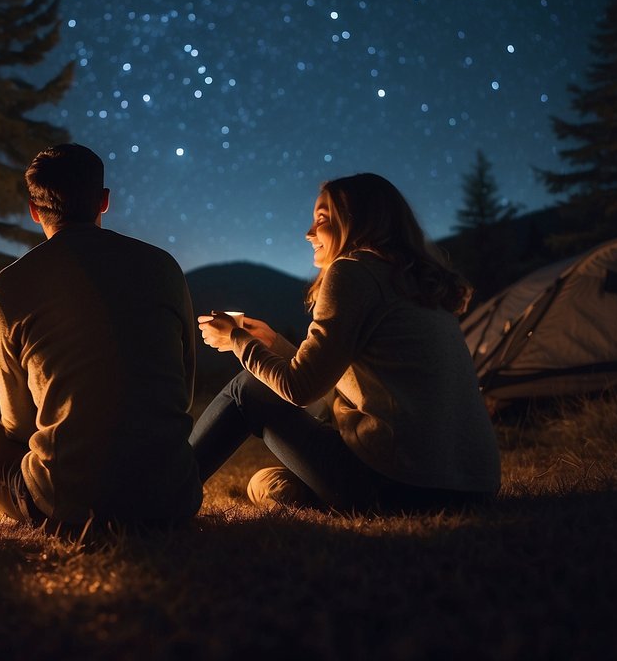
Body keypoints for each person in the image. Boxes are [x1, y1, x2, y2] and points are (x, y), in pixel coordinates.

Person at [190, 173, 501, 512]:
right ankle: (308, 494)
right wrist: (271, 342)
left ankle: (166, 487)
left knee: (246, 390)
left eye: (322, 219)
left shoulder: (353, 271)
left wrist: (237, 340)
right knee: (267, 480)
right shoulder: (417, 282)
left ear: (359, 222)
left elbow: (301, 389)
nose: (309, 233)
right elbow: (327, 380)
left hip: (403, 486)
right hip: (474, 487)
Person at [0, 143, 202, 531]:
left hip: (68, 505)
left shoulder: (8, 288)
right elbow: (185, 389)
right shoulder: (162, 267)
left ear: (33, 210)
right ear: (104, 201)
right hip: (174, 497)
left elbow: (18, 427)